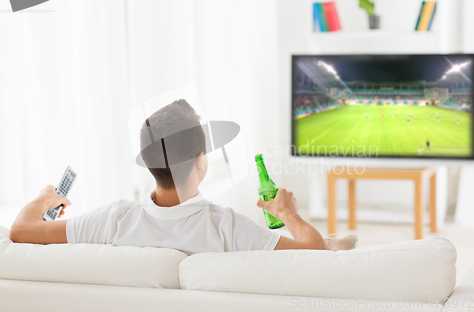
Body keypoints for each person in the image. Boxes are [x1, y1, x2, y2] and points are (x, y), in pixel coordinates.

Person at [9, 100, 356, 254]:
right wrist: (288, 214)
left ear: (147, 163)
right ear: (201, 161)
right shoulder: (228, 228)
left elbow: (21, 231)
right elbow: (315, 253)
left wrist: (45, 198)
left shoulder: (111, 220)